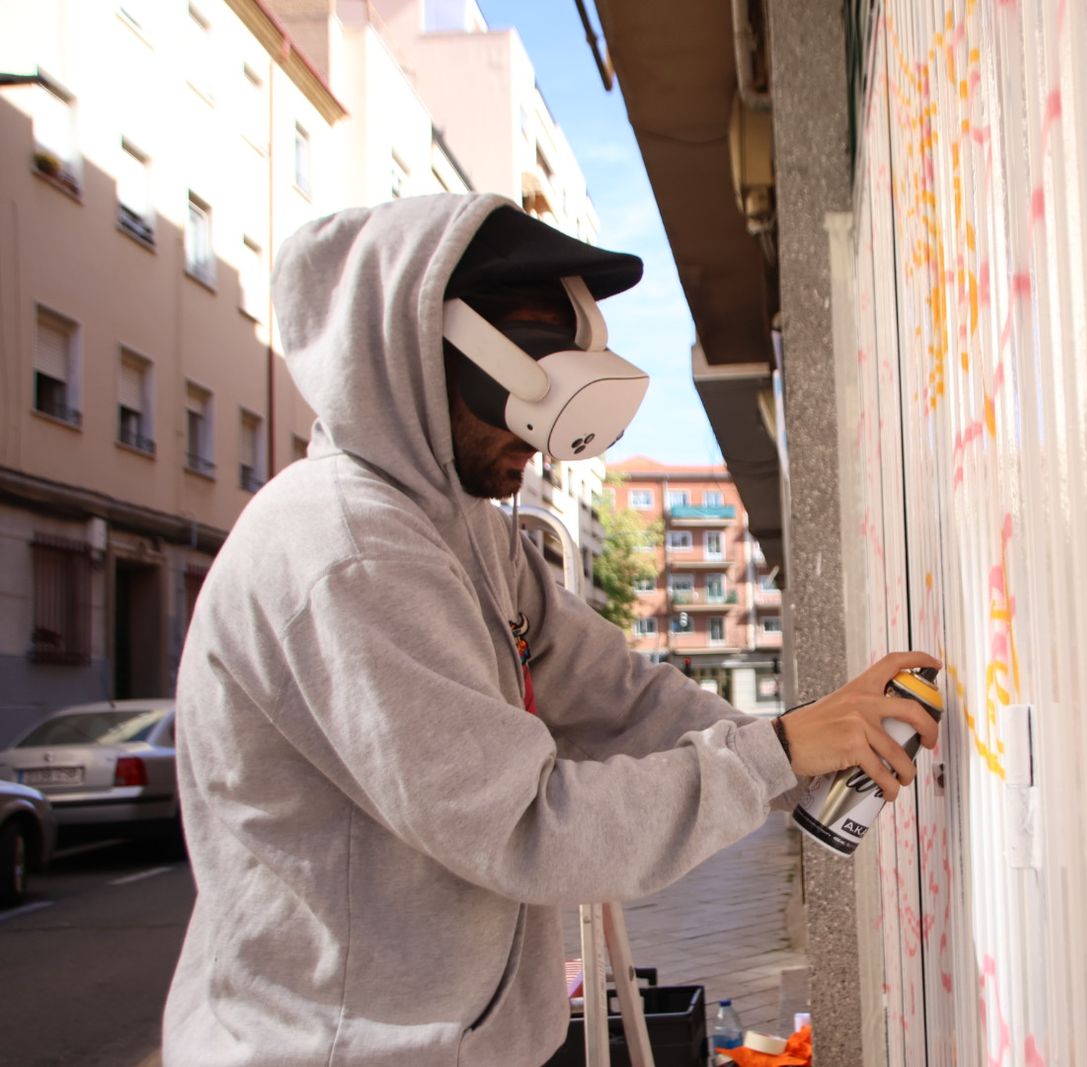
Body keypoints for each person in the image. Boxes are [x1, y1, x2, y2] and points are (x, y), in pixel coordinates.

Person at [162, 193, 939, 1066]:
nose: (540, 437)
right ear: (418, 351)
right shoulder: (345, 550)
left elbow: (619, 698)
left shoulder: (471, 531)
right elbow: (527, 824)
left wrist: (804, 746)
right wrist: (777, 755)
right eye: (527, 375)